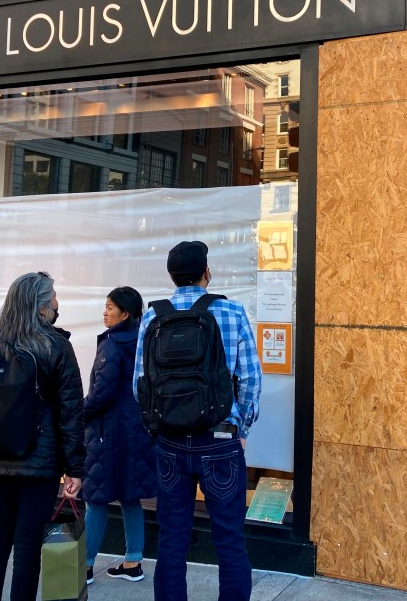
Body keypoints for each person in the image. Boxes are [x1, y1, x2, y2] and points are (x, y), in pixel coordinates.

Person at [133, 240, 263, 601]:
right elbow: (251, 379)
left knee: (172, 539)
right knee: (229, 541)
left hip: (171, 442)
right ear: (207, 272)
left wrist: (157, 426)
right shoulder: (231, 311)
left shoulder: (152, 315)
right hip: (220, 439)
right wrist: (242, 429)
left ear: (172, 276)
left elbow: (139, 384)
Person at [0, 272, 85, 601]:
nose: (58, 302)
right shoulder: (56, 346)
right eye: (54, 296)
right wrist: (75, 468)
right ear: (42, 307)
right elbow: (71, 412)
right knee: (27, 551)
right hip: (39, 466)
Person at [82, 286, 157, 585]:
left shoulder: (112, 344)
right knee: (130, 496)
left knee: (96, 499)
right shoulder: (144, 340)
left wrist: (78, 412)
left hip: (108, 432)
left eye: (110, 307)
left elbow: (102, 393)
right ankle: (133, 562)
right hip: (136, 430)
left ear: (124, 313)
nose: (104, 311)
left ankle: (84, 567)